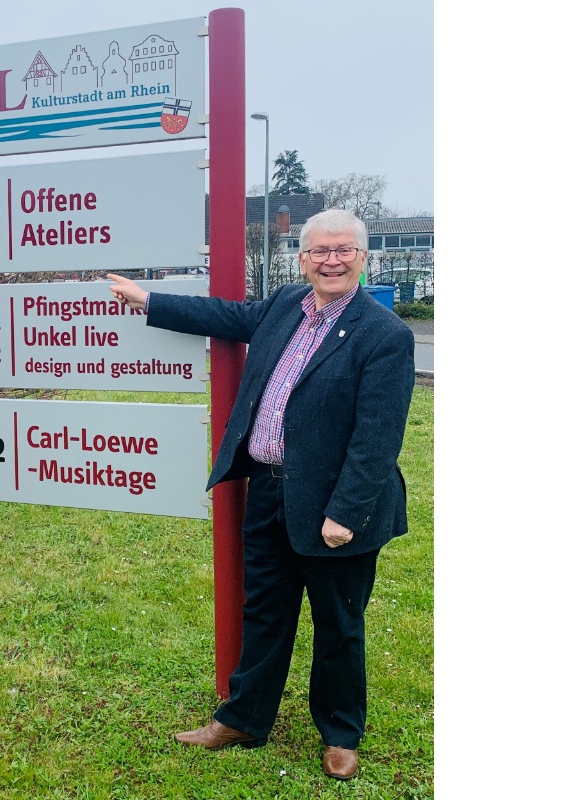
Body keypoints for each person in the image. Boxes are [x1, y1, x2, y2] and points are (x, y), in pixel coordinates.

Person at [106, 209, 415, 781]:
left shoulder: (385, 335)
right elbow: (226, 315)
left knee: (339, 625)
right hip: (270, 492)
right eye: (319, 251)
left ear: (363, 257)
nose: (331, 261)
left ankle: (341, 734)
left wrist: (344, 512)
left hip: (337, 509)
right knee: (265, 612)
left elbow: (377, 438)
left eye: (343, 250)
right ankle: (245, 717)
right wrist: (150, 300)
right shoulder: (284, 307)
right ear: (302, 259)